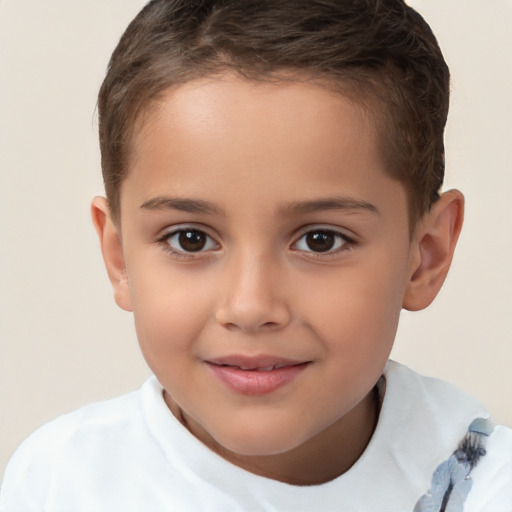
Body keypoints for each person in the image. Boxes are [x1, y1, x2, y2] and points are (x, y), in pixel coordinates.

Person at [1, 0, 511, 510]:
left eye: (320, 240)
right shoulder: (60, 483)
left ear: (425, 256)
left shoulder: (486, 488)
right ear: (119, 258)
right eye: (190, 239)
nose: (249, 307)